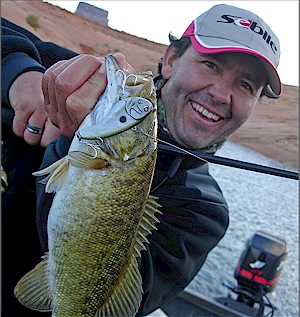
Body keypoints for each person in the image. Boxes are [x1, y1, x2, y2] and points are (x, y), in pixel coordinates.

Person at [1, 3, 281, 316]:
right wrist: (19, 73)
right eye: (211, 65)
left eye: (245, 85)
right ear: (172, 61)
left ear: (254, 104)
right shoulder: (82, 84)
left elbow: (121, 303)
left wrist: (69, 141)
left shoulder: (204, 212)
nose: (220, 94)